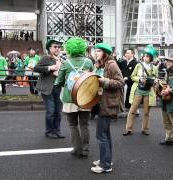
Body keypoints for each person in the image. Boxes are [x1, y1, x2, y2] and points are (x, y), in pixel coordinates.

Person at [57, 37, 94, 158]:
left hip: (70, 98)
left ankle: (77, 149)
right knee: (84, 124)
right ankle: (85, 150)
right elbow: (92, 77)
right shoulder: (88, 62)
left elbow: (60, 81)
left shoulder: (66, 63)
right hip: (85, 97)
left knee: (72, 124)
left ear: (69, 49)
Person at [91, 43, 124, 173]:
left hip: (108, 103)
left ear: (105, 53)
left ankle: (105, 165)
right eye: (95, 51)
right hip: (102, 102)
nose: (96, 53)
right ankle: (107, 159)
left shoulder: (111, 64)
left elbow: (120, 82)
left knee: (101, 135)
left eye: (98, 51)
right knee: (106, 134)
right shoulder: (101, 64)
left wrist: (104, 81)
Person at [123, 45, 158, 136]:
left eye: (147, 56)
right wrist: (139, 79)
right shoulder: (138, 65)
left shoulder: (154, 68)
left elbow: (156, 79)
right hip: (138, 89)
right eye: (144, 56)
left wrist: (155, 80)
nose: (145, 58)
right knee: (132, 110)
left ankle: (145, 129)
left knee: (146, 112)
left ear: (151, 58)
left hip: (148, 91)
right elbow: (132, 76)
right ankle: (128, 129)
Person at [33, 39, 64, 139]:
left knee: (58, 111)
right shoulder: (46, 58)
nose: (57, 49)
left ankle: (57, 130)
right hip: (47, 88)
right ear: (49, 48)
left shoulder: (61, 59)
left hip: (58, 87)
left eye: (59, 47)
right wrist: (50, 68)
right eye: (55, 47)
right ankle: (49, 131)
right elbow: (36, 68)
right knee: (51, 111)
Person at [118, 48, 138, 115]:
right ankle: (125, 109)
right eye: (126, 53)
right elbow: (118, 68)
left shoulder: (136, 63)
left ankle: (133, 110)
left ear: (133, 54)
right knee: (124, 95)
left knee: (131, 96)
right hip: (123, 82)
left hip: (132, 82)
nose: (127, 54)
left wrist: (128, 78)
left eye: (129, 53)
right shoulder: (123, 62)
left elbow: (136, 74)